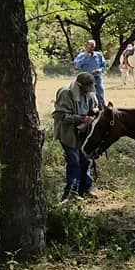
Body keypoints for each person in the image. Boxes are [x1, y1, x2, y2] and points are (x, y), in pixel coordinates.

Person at [52, 72, 99, 201]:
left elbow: (94, 108)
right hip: (68, 134)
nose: (87, 92)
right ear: (79, 86)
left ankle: (85, 189)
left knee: (86, 160)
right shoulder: (66, 94)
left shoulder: (89, 95)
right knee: (74, 162)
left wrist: (94, 112)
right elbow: (62, 117)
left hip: (84, 134)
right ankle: (71, 193)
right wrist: (81, 119)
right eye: (85, 89)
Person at [73, 39, 107, 108]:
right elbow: (76, 66)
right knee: (87, 95)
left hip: (97, 78)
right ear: (86, 46)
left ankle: (102, 109)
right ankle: (87, 109)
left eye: (93, 47)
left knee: (100, 94)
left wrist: (99, 70)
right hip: (86, 79)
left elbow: (103, 66)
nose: (91, 48)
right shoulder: (81, 56)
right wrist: (85, 58)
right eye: (90, 47)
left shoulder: (98, 55)